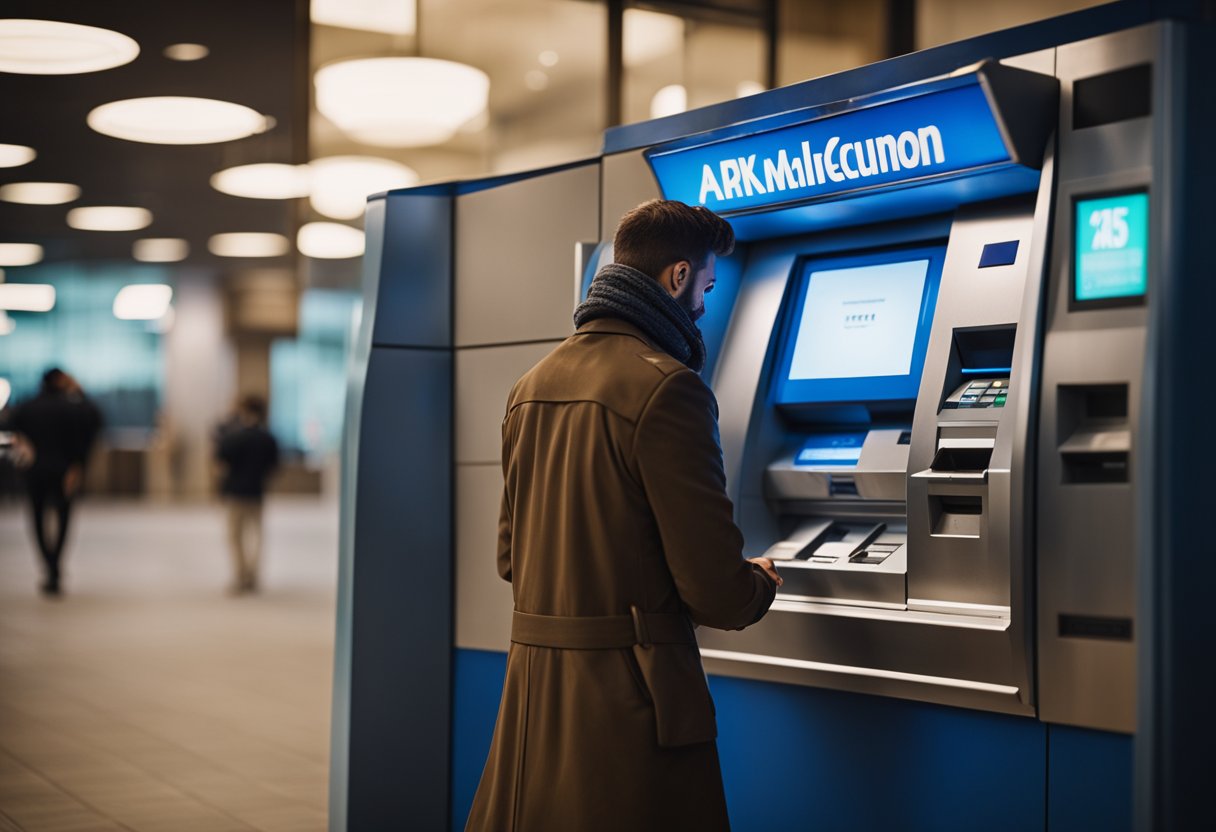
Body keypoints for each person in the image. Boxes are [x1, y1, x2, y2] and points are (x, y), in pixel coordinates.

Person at [466, 200, 783, 831]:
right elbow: (715, 590)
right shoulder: (670, 388)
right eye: (708, 287)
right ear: (677, 276)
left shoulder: (529, 387)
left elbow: (511, 559)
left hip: (535, 695)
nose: (704, 308)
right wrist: (759, 582)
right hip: (632, 699)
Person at [2, 368, 102, 597]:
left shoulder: (28, 406)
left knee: (37, 518)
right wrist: (78, 465)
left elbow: (8, 429)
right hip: (64, 472)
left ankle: (48, 564)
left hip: (34, 470)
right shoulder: (73, 407)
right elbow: (94, 420)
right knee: (63, 517)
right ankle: (56, 564)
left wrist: (23, 448)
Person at [214, 395, 279, 594]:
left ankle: (241, 575)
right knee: (257, 535)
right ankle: (253, 576)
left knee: (235, 536)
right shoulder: (268, 438)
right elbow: (274, 465)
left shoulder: (234, 437)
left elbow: (219, 459)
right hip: (257, 491)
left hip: (236, 492)